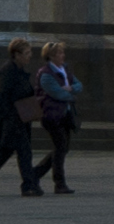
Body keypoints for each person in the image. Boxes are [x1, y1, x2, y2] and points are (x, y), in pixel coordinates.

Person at [0, 40, 41, 198]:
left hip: (19, 118)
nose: (30, 56)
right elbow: (4, 97)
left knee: (5, 152)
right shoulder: (8, 71)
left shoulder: (18, 70)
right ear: (16, 54)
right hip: (12, 119)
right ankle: (28, 185)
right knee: (24, 152)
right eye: (26, 53)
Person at [31, 41, 81, 195]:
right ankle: (59, 183)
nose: (63, 56)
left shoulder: (64, 70)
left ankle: (34, 174)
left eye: (62, 53)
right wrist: (70, 95)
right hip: (51, 115)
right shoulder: (45, 73)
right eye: (59, 53)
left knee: (63, 148)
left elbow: (79, 85)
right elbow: (57, 93)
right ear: (51, 56)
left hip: (65, 114)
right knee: (60, 147)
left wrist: (71, 89)